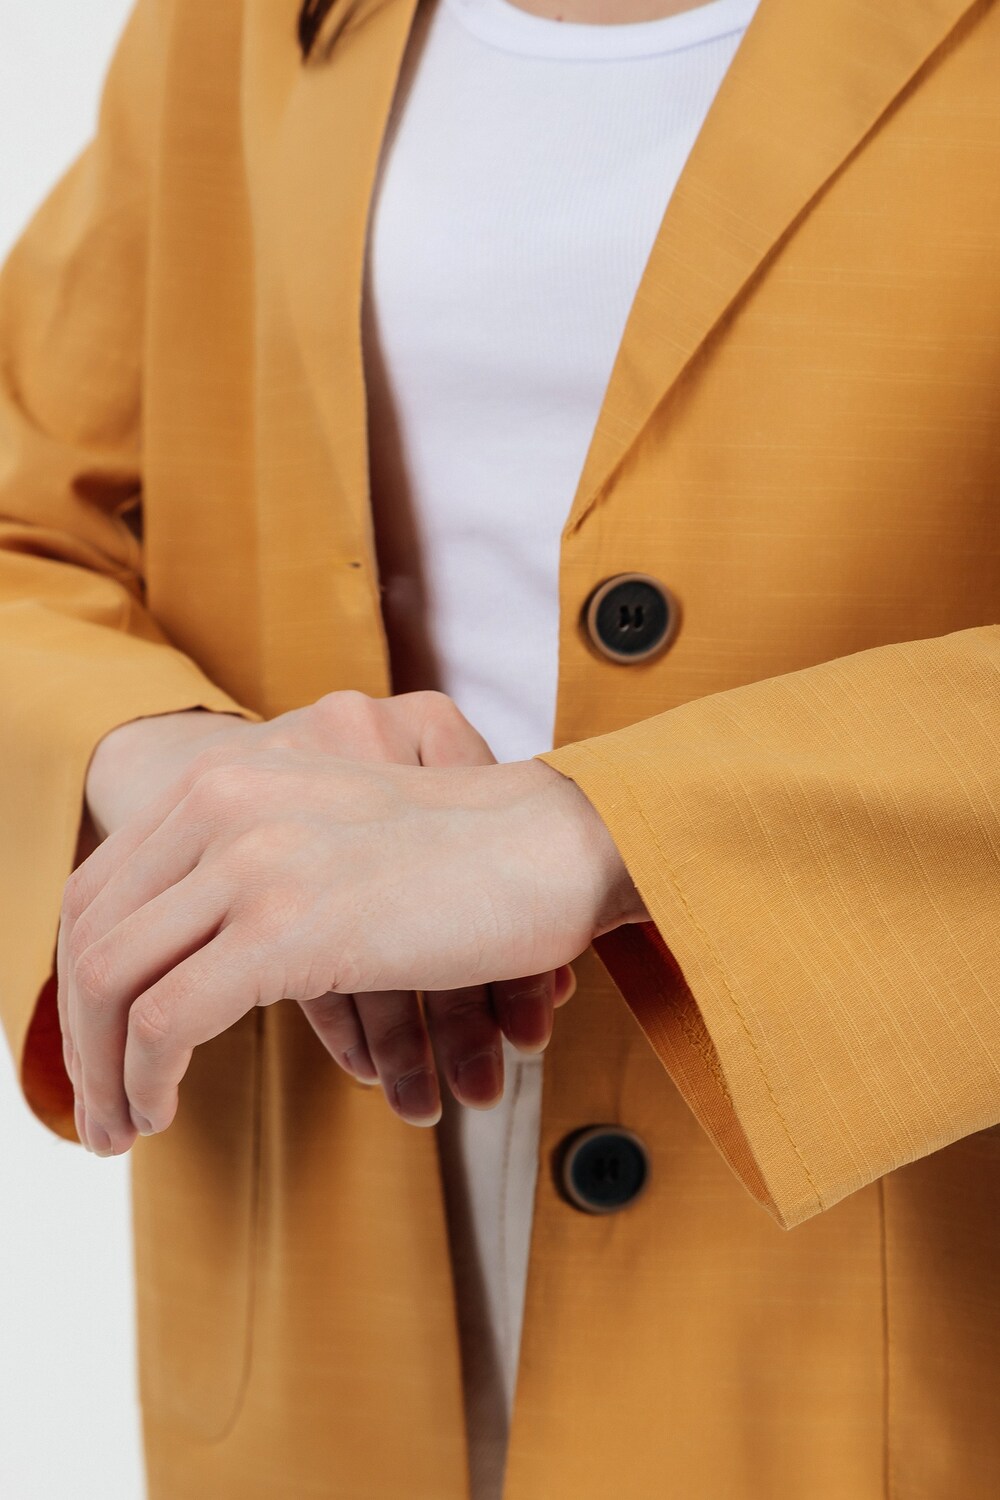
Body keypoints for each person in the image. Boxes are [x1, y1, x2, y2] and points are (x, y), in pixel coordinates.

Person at [1, 0, 998, 1496]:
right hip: (331, 1201)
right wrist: (187, 766)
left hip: (897, 1211)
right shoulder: (234, 25)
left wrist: (602, 826)